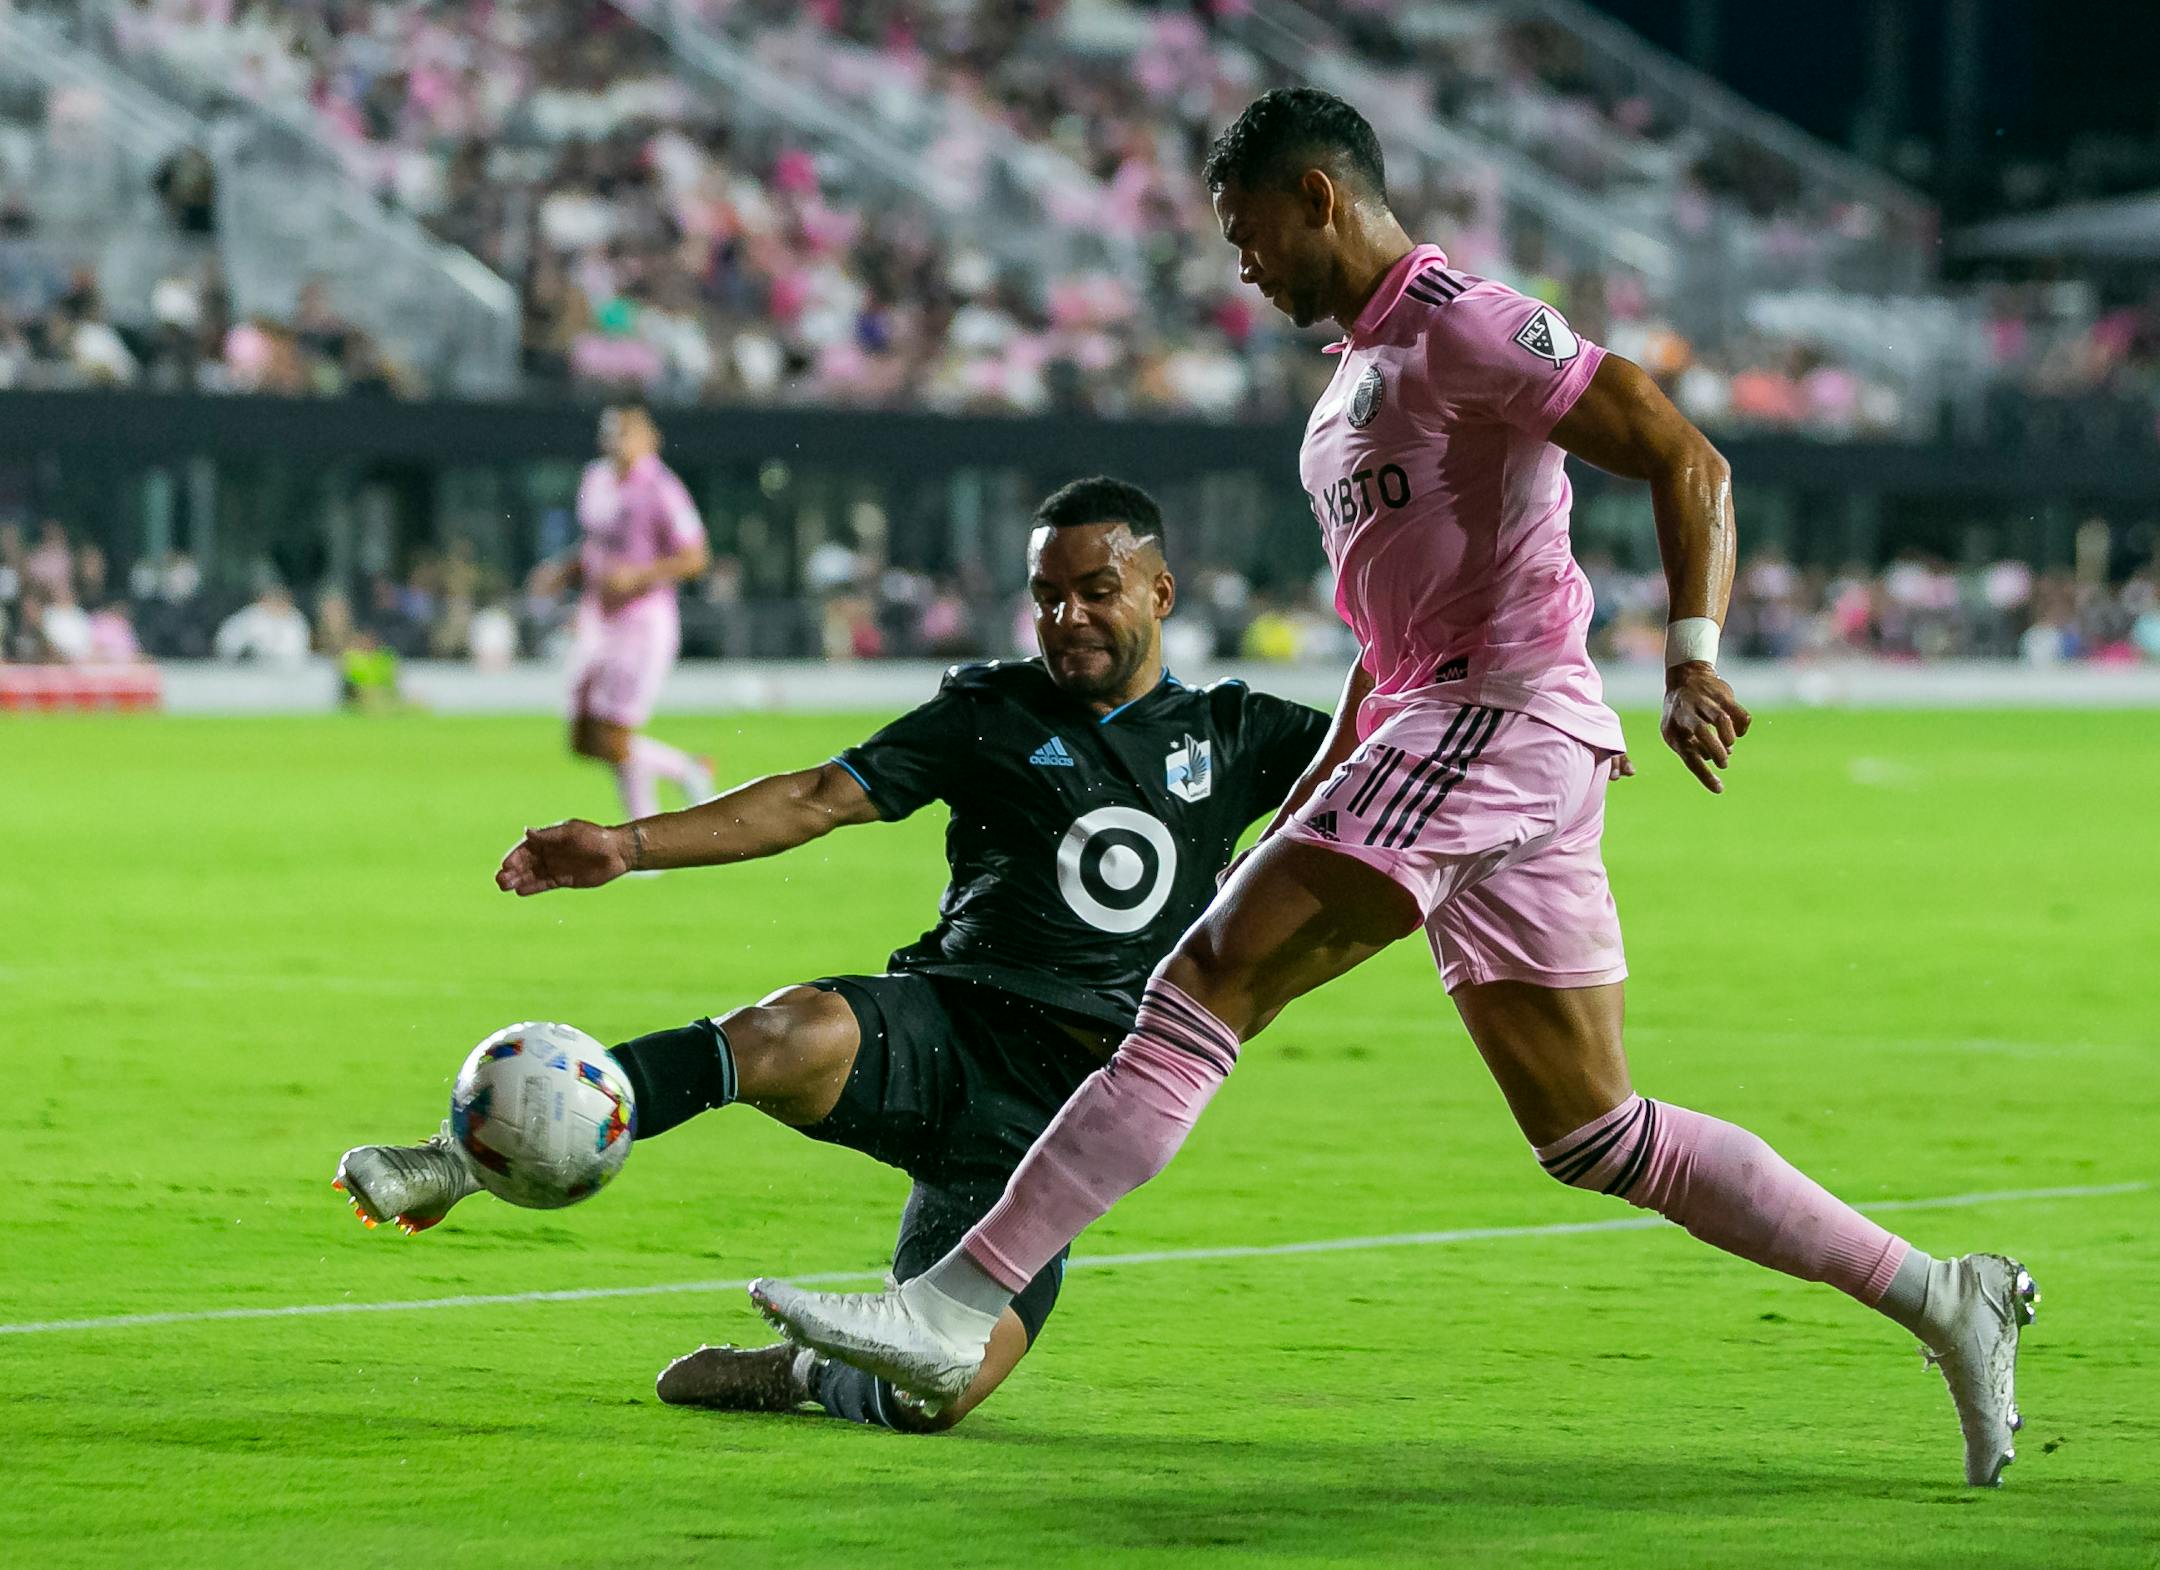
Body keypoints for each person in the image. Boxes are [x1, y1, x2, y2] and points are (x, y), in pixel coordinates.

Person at [751, 89, 2036, 1488]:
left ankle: (953, 1301)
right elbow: (1384, 643)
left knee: (1195, 992)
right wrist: (1320, 786)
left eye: (1248, 231)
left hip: (1501, 715)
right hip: (1445, 728)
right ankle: (1940, 1291)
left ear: (1317, 196)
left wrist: (1695, 655)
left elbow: (1684, 451)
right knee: (1595, 1129)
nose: (1241, 263)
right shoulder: (1345, 394)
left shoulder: (1471, 325)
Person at [334, 477, 1331, 1433]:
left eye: (1096, 591)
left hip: (1070, 1119)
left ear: (1161, 591)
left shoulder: (1240, 731)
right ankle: (458, 1158)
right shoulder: (991, 709)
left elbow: (1394, 773)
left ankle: (804, 1372)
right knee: (779, 1032)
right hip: (945, 1027)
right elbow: (818, 796)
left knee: (940, 1395)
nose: (1068, 616)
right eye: (1047, 596)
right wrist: (627, 845)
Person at [532, 403, 715, 821]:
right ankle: (681, 771)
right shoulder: (596, 478)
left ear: (650, 438)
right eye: (611, 432)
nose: (616, 440)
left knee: (614, 736)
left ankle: (646, 832)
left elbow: (694, 557)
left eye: (625, 433)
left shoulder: (662, 488)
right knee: (582, 738)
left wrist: (640, 576)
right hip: (598, 619)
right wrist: (566, 570)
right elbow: (597, 545)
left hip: (642, 621)